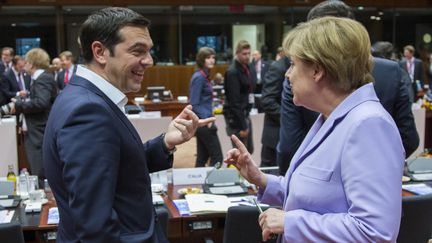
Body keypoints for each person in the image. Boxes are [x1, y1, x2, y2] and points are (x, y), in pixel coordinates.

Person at [225, 16, 404, 242]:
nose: (287, 74)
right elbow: (315, 196)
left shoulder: (368, 124)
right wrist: (261, 179)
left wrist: (291, 222)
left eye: (293, 64)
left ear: (317, 70)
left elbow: (374, 232)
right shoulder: (329, 117)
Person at [43, 7, 213, 242]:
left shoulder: (87, 98)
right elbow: (94, 226)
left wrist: (164, 143)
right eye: (138, 51)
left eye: (149, 51)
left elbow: (116, 167)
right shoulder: (88, 111)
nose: (149, 61)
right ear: (100, 52)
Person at [277, 0, 419, 175]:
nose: (289, 73)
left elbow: (289, 147)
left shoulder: (367, 112)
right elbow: (408, 139)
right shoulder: (391, 72)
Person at [1, 48, 57, 186]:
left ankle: (44, 202)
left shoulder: (42, 78)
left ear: (32, 63)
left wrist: (19, 104)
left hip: (39, 131)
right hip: (36, 131)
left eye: (26, 61)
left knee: (40, 169)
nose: (24, 64)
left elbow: (41, 102)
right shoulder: (39, 78)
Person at [189, 47, 223, 167]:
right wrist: (207, 119)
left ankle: (198, 185)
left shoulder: (205, 76)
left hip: (204, 121)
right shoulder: (199, 77)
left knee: (202, 158)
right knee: (217, 157)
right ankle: (213, 184)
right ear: (201, 60)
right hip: (204, 122)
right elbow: (194, 103)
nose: (212, 60)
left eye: (213, 57)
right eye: (208, 58)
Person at [223, 40, 256, 153]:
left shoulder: (247, 67)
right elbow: (234, 103)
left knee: (249, 150)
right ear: (237, 53)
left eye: (248, 53)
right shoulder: (232, 72)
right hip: (237, 119)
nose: (247, 56)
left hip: (244, 114)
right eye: (244, 54)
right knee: (240, 154)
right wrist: (243, 126)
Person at [259, 55, 290, 168]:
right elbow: (267, 101)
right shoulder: (278, 67)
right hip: (274, 137)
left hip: (287, 138)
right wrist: (290, 117)